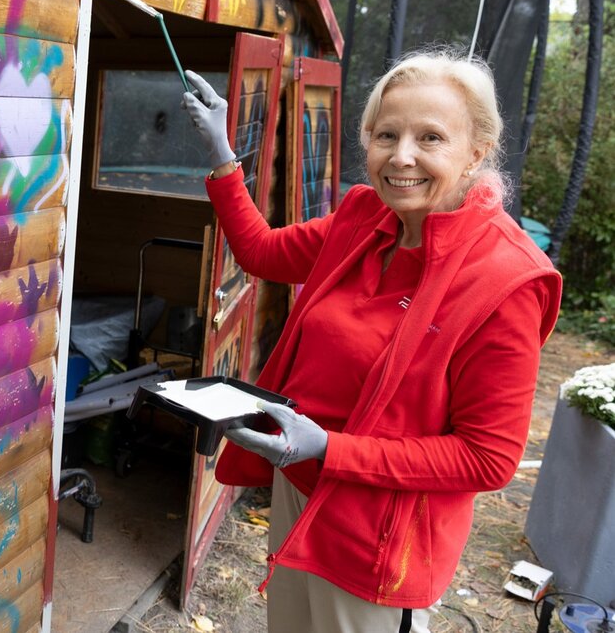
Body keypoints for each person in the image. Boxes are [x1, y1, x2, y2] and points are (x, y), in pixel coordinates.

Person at [180, 50, 562, 633]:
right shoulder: (365, 216)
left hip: (379, 536)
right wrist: (223, 158)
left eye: (430, 137)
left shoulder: (505, 280)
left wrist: (331, 450)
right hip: (298, 481)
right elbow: (261, 252)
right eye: (387, 134)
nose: (401, 156)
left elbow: (488, 458)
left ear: (476, 152)